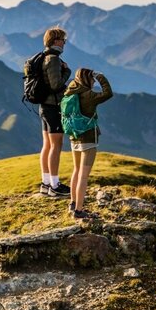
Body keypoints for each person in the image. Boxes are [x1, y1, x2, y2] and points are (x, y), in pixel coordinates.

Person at [63, 68, 113, 220]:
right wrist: (100, 76)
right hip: (88, 138)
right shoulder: (89, 95)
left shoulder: (69, 92)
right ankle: (79, 211)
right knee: (84, 176)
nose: (93, 82)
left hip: (74, 137)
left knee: (76, 171)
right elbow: (108, 93)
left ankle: (73, 204)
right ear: (87, 80)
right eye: (91, 79)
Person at [39, 27, 72, 197]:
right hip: (53, 107)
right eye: (63, 40)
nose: (64, 43)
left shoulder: (43, 57)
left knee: (47, 145)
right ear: (56, 41)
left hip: (44, 107)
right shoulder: (53, 60)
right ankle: (55, 185)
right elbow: (56, 85)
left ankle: (45, 183)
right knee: (56, 145)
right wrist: (67, 72)